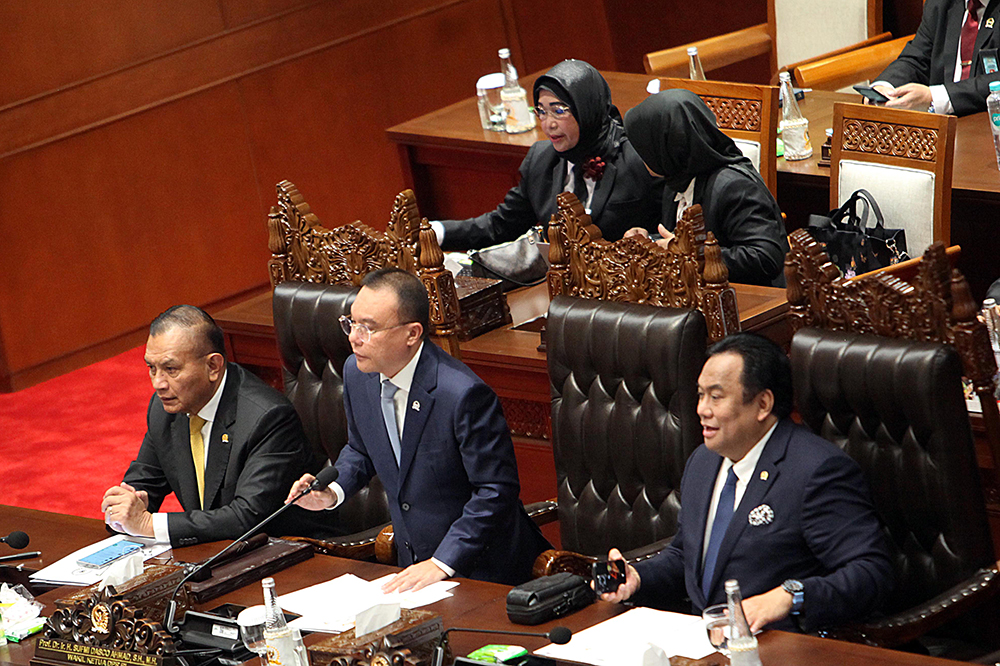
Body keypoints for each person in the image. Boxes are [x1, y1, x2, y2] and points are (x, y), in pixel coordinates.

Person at [598, 333, 893, 633]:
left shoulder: (816, 471)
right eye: (700, 395)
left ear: (763, 403)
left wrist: (791, 594)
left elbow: (871, 573)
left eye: (716, 396)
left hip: (782, 647)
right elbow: (688, 556)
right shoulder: (703, 461)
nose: (702, 409)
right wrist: (638, 577)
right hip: (705, 644)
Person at [287, 267, 550, 592]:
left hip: (486, 572)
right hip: (412, 572)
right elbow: (360, 450)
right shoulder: (357, 373)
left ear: (412, 334)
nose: (354, 337)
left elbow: (495, 490)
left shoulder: (462, 394)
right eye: (351, 323)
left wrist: (442, 562)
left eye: (368, 328)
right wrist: (330, 493)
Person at [101, 305, 310, 547]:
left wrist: (149, 525)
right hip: (213, 551)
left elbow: (246, 517)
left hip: (286, 550)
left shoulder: (267, 418)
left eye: (171, 369)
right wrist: (124, 506)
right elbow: (145, 483)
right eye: (151, 368)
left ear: (213, 366)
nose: (158, 383)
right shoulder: (165, 409)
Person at [433, 59, 661, 250]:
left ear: (586, 109)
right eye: (541, 112)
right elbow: (500, 226)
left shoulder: (637, 157)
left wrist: (649, 240)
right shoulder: (540, 160)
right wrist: (437, 233)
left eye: (558, 111)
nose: (548, 124)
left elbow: (671, 230)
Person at [622, 90, 789, 287]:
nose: (640, 154)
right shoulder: (676, 179)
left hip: (754, 302)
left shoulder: (734, 187)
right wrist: (650, 241)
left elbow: (765, 257)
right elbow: (678, 240)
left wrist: (692, 254)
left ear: (668, 146)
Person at [872, 0, 1000, 116]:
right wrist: (885, 87)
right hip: (940, 128)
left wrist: (934, 97)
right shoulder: (940, 4)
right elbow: (916, 59)